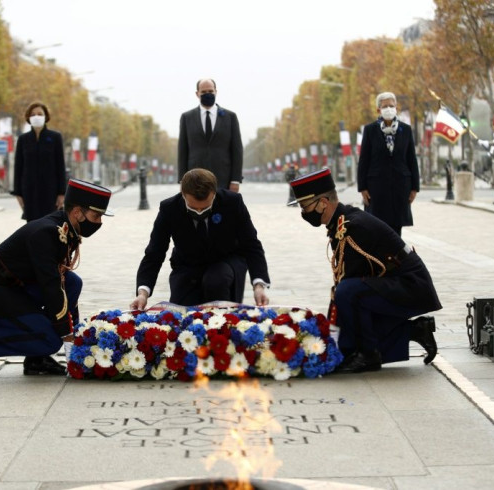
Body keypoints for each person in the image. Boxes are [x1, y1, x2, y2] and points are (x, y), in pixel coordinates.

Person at [0, 178, 113, 376]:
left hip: (15, 286)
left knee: (73, 282)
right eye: (96, 216)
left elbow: (60, 281)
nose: (99, 222)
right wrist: (67, 335)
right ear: (77, 213)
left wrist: (74, 332)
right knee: (51, 340)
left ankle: (36, 359)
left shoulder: (64, 229)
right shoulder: (47, 233)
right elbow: (51, 285)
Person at [289, 168, 441, 373]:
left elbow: (346, 290)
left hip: (411, 287)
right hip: (393, 283)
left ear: (323, 203)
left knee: (349, 295)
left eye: (305, 207)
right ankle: (414, 331)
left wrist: (332, 343)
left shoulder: (353, 228)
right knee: (350, 318)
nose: (304, 213)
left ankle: (368, 355)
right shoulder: (341, 222)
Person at [131, 168, 270, 310]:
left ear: (214, 194)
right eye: (193, 208)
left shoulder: (232, 202)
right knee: (181, 313)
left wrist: (259, 285)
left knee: (215, 281)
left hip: (226, 261)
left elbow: (251, 244)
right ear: (183, 194)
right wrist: (143, 293)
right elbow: (155, 252)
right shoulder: (169, 209)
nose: (199, 212)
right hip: (188, 264)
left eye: (205, 208)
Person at [357, 92, 419, 236]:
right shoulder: (370, 130)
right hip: (376, 189)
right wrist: (362, 187)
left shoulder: (406, 130)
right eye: (385, 106)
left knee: (396, 231)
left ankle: (394, 258)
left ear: (396, 107)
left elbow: (412, 160)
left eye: (392, 106)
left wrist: (415, 188)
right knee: (376, 228)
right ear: (378, 110)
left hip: (400, 187)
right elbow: (364, 160)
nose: (389, 109)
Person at [178, 79, 243, 192]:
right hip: (195, 178)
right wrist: (182, 180)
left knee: (223, 210)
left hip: (224, 178)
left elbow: (237, 150)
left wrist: (235, 180)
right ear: (197, 94)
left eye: (210, 91)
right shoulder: (187, 117)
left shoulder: (230, 117)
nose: (207, 94)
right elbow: (183, 150)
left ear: (216, 92)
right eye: (203, 92)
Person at [12, 102, 67, 221]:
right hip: (29, 191)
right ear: (28, 117)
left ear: (45, 117)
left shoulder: (55, 137)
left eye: (39, 114)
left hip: (50, 191)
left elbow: (60, 166)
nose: (36, 116)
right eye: (33, 114)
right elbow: (18, 167)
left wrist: (61, 193)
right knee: (32, 227)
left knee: (50, 225)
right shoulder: (23, 139)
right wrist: (18, 193)